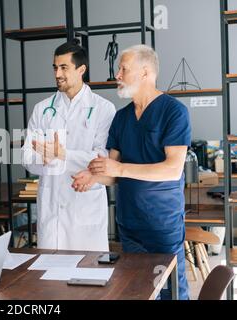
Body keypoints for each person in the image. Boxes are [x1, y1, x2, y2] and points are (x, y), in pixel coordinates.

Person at [72, 45, 191, 300]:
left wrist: (119, 168)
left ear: (145, 72)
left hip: (162, 224)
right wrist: (93, 176)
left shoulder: (174, 112)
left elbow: (172, 170)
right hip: (129, 225)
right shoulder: (121, 118)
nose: (117, 74)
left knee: (169, 290)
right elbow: (112, 173)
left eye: (123, 69)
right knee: (138, 291)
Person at [21, 39, 116, 251]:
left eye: (64, 67)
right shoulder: (42, 109)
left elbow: (102, 158)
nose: (57, 74)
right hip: (52, 207)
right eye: (55, 67)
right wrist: (44, 160)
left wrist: (62, 154)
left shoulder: (104, 109)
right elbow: (27, 157)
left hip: (85, 205)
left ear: (81, 69)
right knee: (50, 277)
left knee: (90, 273)